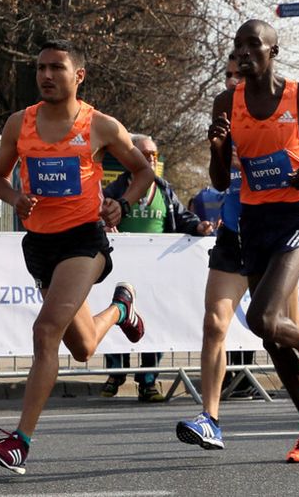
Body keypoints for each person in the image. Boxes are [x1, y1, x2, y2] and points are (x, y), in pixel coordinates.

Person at [0, 39, 154, 473]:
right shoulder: (20, 123)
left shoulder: (101, 125)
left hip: (83, 241)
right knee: (81, 346)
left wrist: (123, 203)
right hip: (39, 244)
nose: (46, 75)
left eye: (57, 67)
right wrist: (15, 198)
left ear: (79, 76)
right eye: (41, 68)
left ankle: (20, 442)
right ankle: (121, 308)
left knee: (45, 332)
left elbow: (143, 171)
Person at [206, 20, 299, 463]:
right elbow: (219, 182)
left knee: (264, 315)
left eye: (254, 43)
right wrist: (218, 147)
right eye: (239, 44)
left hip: (296, 214)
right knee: (270, 335)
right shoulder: (225, 101)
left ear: (274, 50)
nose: (245, 51)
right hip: (253, 219)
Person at [177, 56, 299, 451]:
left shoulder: (284, 104)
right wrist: (219, 147)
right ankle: (211, 419)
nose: (235, 83)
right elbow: (217, 182)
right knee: (217, 323)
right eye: (229, 76)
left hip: (282, 224)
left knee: (273, 327)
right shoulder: (226, 110)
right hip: (236, 232)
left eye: (240, 74)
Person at [102, 133, 214, 402]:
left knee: (153, 323)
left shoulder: (163, 189)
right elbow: (99, 215)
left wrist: (198, 226)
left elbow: (182, 217)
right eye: (145, 154)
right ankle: (116, 373)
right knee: (117, 317)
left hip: (156, 272)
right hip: (122, 269)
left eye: (154, 155)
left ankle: (148, 379)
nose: (151, 159)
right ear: (131, 158)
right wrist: (104, 224)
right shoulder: (115, 191)